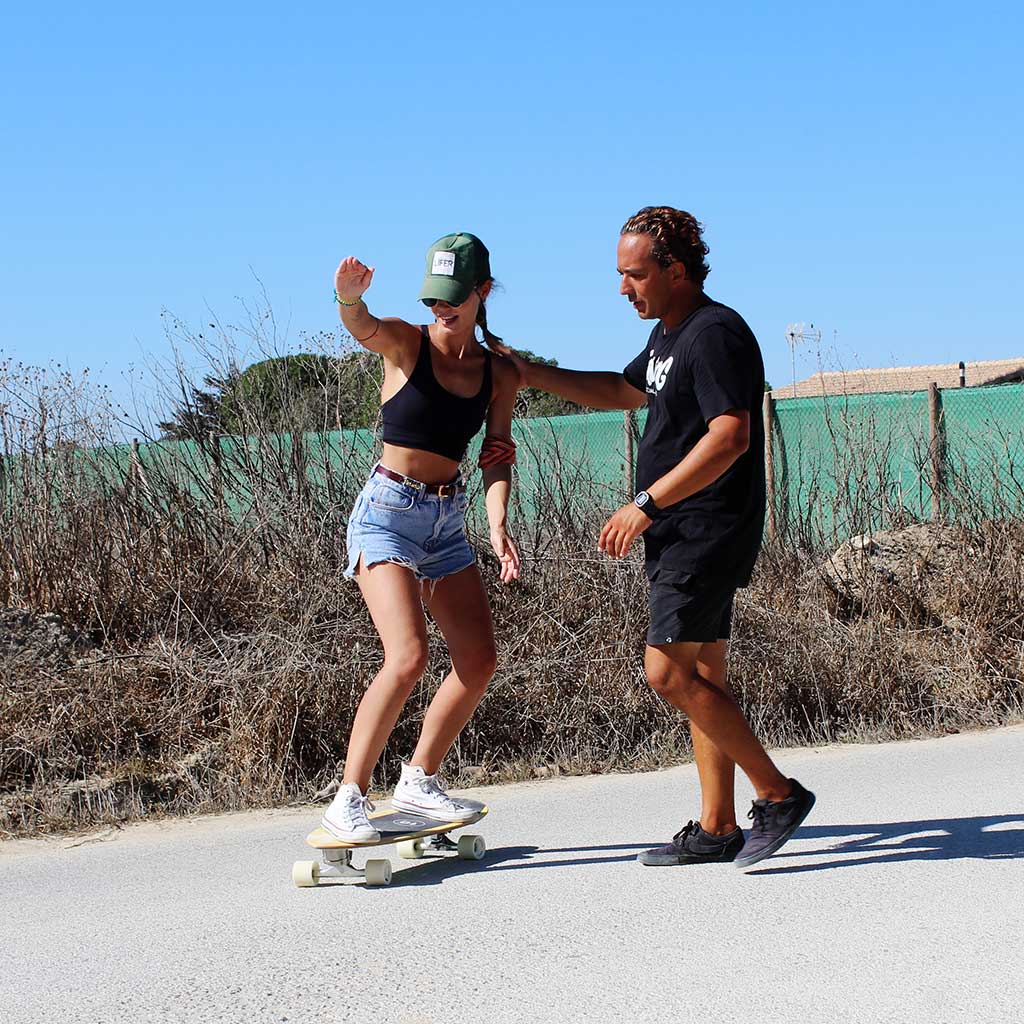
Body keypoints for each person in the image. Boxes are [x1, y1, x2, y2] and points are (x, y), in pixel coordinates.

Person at [499, 207, 814, 869]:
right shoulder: (671, 336)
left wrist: (647, 502)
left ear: (675, 269)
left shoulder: (714, 333)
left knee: (666, 671)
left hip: (703, 527)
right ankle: (718, 824)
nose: (623, 288)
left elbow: (731, 434)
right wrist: (529, 373)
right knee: (702, 673)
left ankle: (777, 794)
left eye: (634, 274)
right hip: (684, 530)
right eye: (621, 275)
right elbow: (622, 388)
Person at [321, 232, 520, 842]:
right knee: (407, 657)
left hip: (447, 521)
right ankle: (347, 798)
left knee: (479, 660)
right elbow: (364, 327)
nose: (441, 309)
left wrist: (498, 523)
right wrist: (347, 299)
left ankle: (418, 779)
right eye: (435, 297)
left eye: (454, 298)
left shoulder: (499, 371)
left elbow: (495, 454)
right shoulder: (407, 343)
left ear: (483, 292)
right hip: (387, 513)